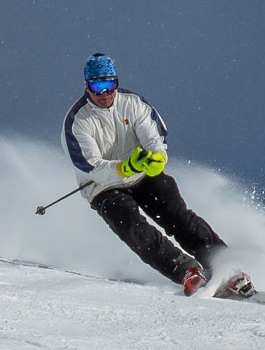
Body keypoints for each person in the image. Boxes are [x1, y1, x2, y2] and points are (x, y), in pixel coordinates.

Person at [60, 53, 252, 297]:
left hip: (141, 176)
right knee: (132, 227)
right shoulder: (78, 121)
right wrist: (121, 168)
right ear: (87, 87)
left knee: (177, 216)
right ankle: (186, 270)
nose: (104, 93)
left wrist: (157, 156)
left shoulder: (133, 103)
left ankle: (228, 269)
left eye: (109, 85)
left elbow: (154, 135)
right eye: (98, 86)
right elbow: (90, 164)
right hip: (103, 187)